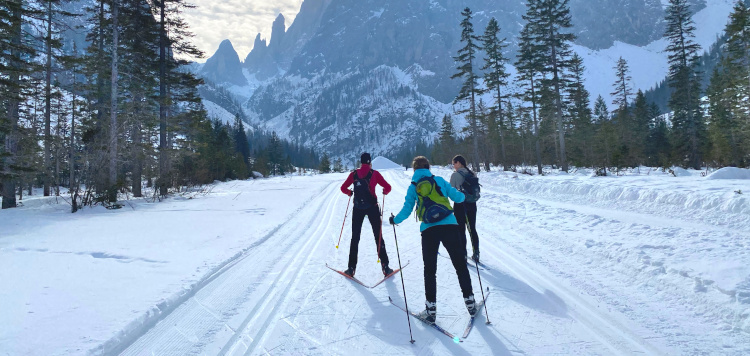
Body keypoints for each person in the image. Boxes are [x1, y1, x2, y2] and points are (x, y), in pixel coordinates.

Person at [389, 156, 476, 324]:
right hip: (450, 226)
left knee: (430, 270)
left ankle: (431, 311)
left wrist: (395, 220)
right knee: (460, 266)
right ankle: (470, 303)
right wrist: (463, 196)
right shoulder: (439, 180)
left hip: (429, 230)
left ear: (414, 170)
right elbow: (458, 198)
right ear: (428, 167)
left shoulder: (413, 187)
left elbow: (407, 210)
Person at [340, 152, 393, 277]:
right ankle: (385, 266)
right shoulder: (374, 173)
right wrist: (384, 191)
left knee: (355, 237)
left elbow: (343, 188)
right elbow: (388, 187)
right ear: (369, 162)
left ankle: (351, 268)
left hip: (358, 208)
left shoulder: (354, 174)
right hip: (372, 208)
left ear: (361, 162)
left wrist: (349, 193)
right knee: (378, 236)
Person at [450, 155, 481, 263]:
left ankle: (463, 254)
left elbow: (451, 192)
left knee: (461, 230)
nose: (453, 166)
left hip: (460, 205)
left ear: (459, 163)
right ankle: (476, 253)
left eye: (454, 163)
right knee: (472, 228)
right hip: (472, 204)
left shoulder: (455, 175)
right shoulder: (472, 173)